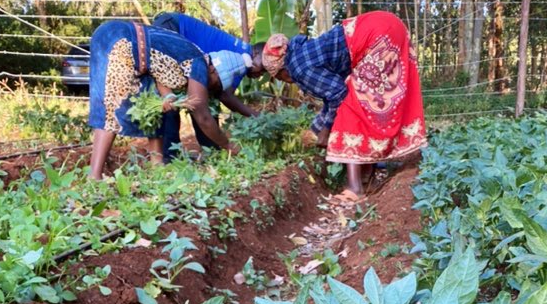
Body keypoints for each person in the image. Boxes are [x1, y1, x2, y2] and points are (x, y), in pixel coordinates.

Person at [261, 11, 427, 198]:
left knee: (351, 108)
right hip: (388, 25)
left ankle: (355, 188)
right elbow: (330, 95)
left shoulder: (298, 68)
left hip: (377, 35)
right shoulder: (302, 53)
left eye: (281, 78)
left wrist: (325, 131)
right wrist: (316, 129)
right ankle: (367, 176)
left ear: (282, 72)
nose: (287, 82)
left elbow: (338, 93)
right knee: (358, 103)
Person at [87, 20, 250, 179]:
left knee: (153, 112)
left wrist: (168, 96)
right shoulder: (199, 63)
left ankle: (157, 167)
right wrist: (227, 145)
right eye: (214, 85)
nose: (209, 89)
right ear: (213, 70)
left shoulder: (193, 55)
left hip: (124, 41)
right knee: (111, 109)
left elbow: (159, 69)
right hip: (119, 41)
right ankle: (94, 177)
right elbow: (203, 117)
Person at [152, 12, 265, 161]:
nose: (260, 74)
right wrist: (257, 116)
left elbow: (214, 95)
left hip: (171, 25)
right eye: (262, 68)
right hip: (172, 27)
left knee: (201, 99)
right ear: (255, 53)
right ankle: (169, 160)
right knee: (170, 99)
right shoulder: (242, 59)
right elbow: (225, 96)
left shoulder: (243, 57)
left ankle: (212, 153)